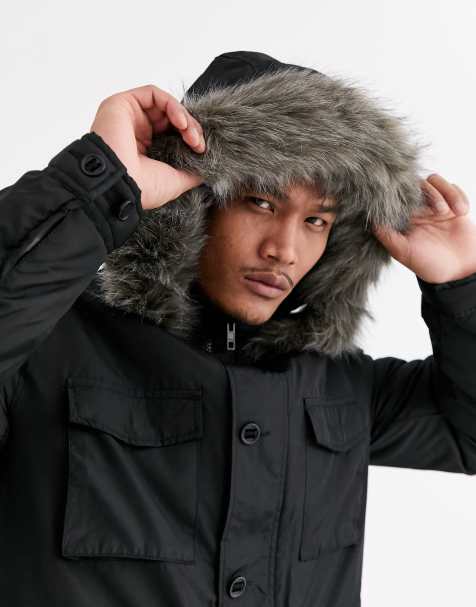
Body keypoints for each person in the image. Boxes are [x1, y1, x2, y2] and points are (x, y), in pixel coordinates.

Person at [0, 50, 475, 607]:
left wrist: (461, 284)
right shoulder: (52, 345)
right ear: (194, 200)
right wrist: (102, 186)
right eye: (261, 202)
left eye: (316, 220)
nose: (284, 250)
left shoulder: (340, 387)